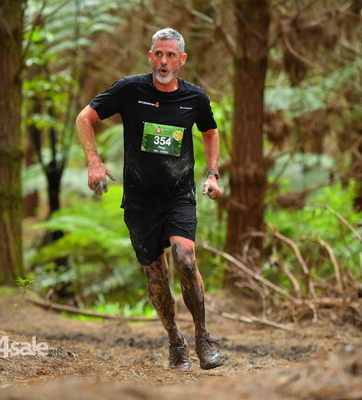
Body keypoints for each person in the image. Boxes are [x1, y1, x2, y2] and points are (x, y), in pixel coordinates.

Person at [76, 27, 225, 371]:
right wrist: (94, 162)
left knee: (185, 260)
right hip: (140, 202)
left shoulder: (195, 98)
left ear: (181, 60)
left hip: (179, 194)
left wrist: (212, 173)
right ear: (150, 56)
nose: (164, 61)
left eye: (171, 55)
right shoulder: (130, 89)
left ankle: (203, 337)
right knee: (157, 277)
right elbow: (85, 118)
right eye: (158, 54)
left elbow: (210, 131)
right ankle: (175, 341)